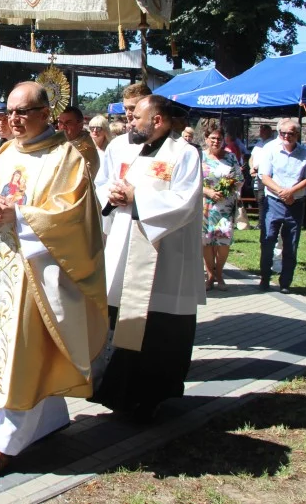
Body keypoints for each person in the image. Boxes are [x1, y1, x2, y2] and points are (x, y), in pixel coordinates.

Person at [0, 82, 107, 483]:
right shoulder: (5, 151)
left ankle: (4, 446)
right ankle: (49, 417)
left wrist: (19, 217)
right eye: (9, 112)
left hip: (39, 273)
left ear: (46, 113)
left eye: (23, 112)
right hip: (0, 269)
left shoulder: (66, 158)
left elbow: (73, 216)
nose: (14, 120)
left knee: (25, 351)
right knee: (12, 351)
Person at [92, 94, 203, 421]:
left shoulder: (184, 155)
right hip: (124, 249)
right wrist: (110, 196)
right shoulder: (121, 148)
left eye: (136, 117)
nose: (130, 123)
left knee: (158, 333)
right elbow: (102, 185)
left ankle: (151, 398)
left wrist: (136, 197)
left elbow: (185, 203)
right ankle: (114, 392)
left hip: (164, 260)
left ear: (157, 121)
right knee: (120, 323)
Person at [257, 118, 306, 293]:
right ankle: (265, 278)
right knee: (268, 241)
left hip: (295, 203)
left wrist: (291, 192)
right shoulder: (270, 150)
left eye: (291, 133)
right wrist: (282, 192)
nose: (287, 136)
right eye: (283, 133)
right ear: (279, 133)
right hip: (274, 201)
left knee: (291, 244)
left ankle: (285, 283)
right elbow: (264, 176)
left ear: (297, 134)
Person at [201, 121, 244, 291]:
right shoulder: (200, 157)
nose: (215, 142)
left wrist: (228, 188)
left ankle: (219, 273)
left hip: (225, 206)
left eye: (219, 138)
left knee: (223, 241)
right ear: (206, 139)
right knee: (207, 241)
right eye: (212, 138)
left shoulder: (230, 157)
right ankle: (210, 275)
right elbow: (192, 181)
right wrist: (209, 192)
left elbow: (239, 179)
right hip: (205, 206)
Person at [57, 105, 100, 176]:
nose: (63, 127)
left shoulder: (86, 150)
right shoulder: (55, 142)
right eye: (60, 122)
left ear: (80, 125)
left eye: (68, 123)